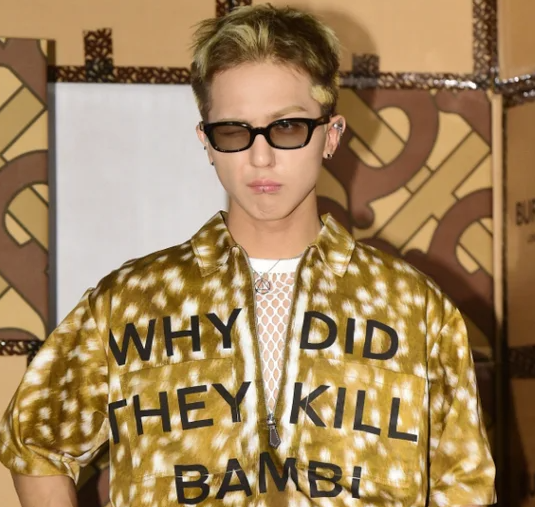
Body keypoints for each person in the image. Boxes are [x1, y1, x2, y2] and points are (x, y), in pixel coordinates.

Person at [0, 4, 496, 507]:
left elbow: (465, 485)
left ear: (331, 135)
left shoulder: (412, 308)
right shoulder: (131, 301)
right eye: (235, 131)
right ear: (207, 142)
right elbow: (35, 442)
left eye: (287, 128)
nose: (261, 157)